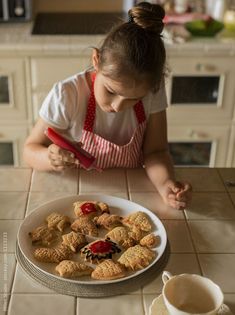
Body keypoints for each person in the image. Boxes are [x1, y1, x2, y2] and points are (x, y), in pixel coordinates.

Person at [23, 2, 192, 210]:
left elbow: (155, 152)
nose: (118, 106)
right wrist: (50, 158)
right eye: (111, 91)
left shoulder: (153, 92)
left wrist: (166, 185)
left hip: (130, 198)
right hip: (74, 196)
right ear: (96, 60)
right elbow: (30, 150)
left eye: (134, 99)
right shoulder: (68, 95)